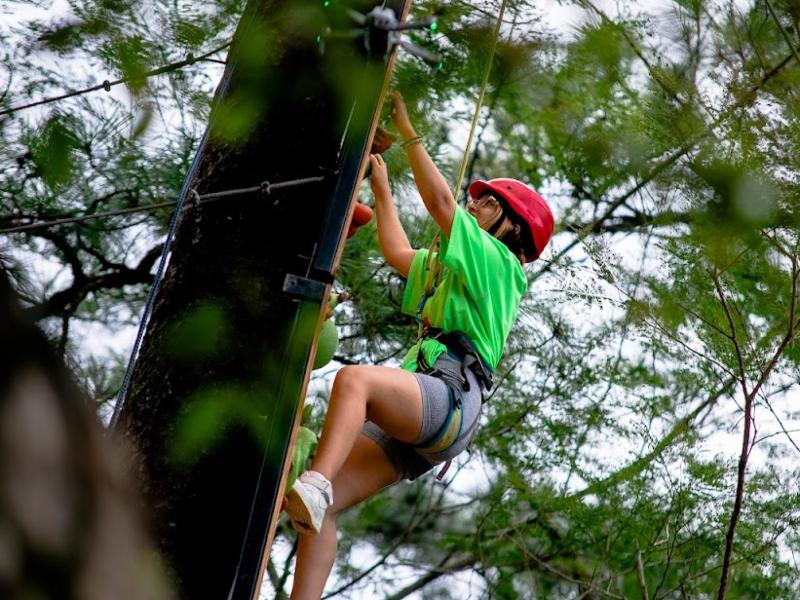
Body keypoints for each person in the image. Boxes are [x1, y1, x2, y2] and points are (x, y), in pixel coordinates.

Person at [284, 91, 554, 599]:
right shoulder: (458, 271)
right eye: (478, 198)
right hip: (433, 412)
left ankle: (318, 480)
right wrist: (381, 185)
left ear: (509, 226)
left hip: (449, 396)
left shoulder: (499, 265)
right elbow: (397, 252)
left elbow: (440, 203)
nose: (475, 205)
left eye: (488, 202)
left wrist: (409, 133)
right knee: (318, 516)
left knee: (354, 380)